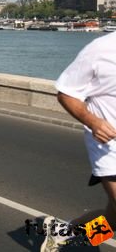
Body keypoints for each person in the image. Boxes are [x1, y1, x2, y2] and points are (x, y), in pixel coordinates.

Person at [40, 31, 116, 251]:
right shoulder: (100, 49)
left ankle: (64, 234)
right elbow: (66, 93)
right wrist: (93, 122)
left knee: (113, 219)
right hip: (108, 146)